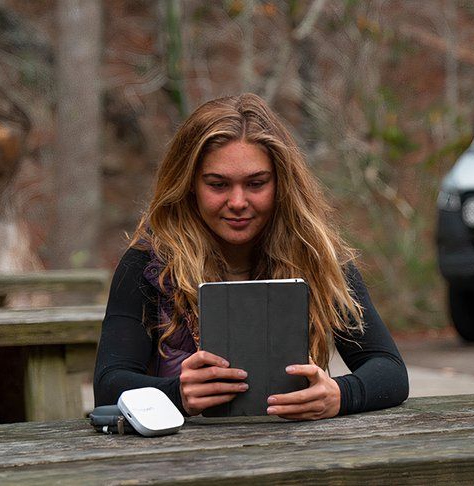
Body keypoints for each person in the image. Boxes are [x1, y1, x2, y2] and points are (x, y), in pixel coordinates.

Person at [93, 93, 409, 420]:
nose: (238, 201)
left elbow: (390, 370)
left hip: (292, 452)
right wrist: (177, 394)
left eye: (256, 183)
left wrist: (340, 395)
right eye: (218, 184)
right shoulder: (149, 262)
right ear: (189, 185)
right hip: (180, 459)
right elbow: (109, 383)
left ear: (281, 183)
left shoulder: (317, 254)